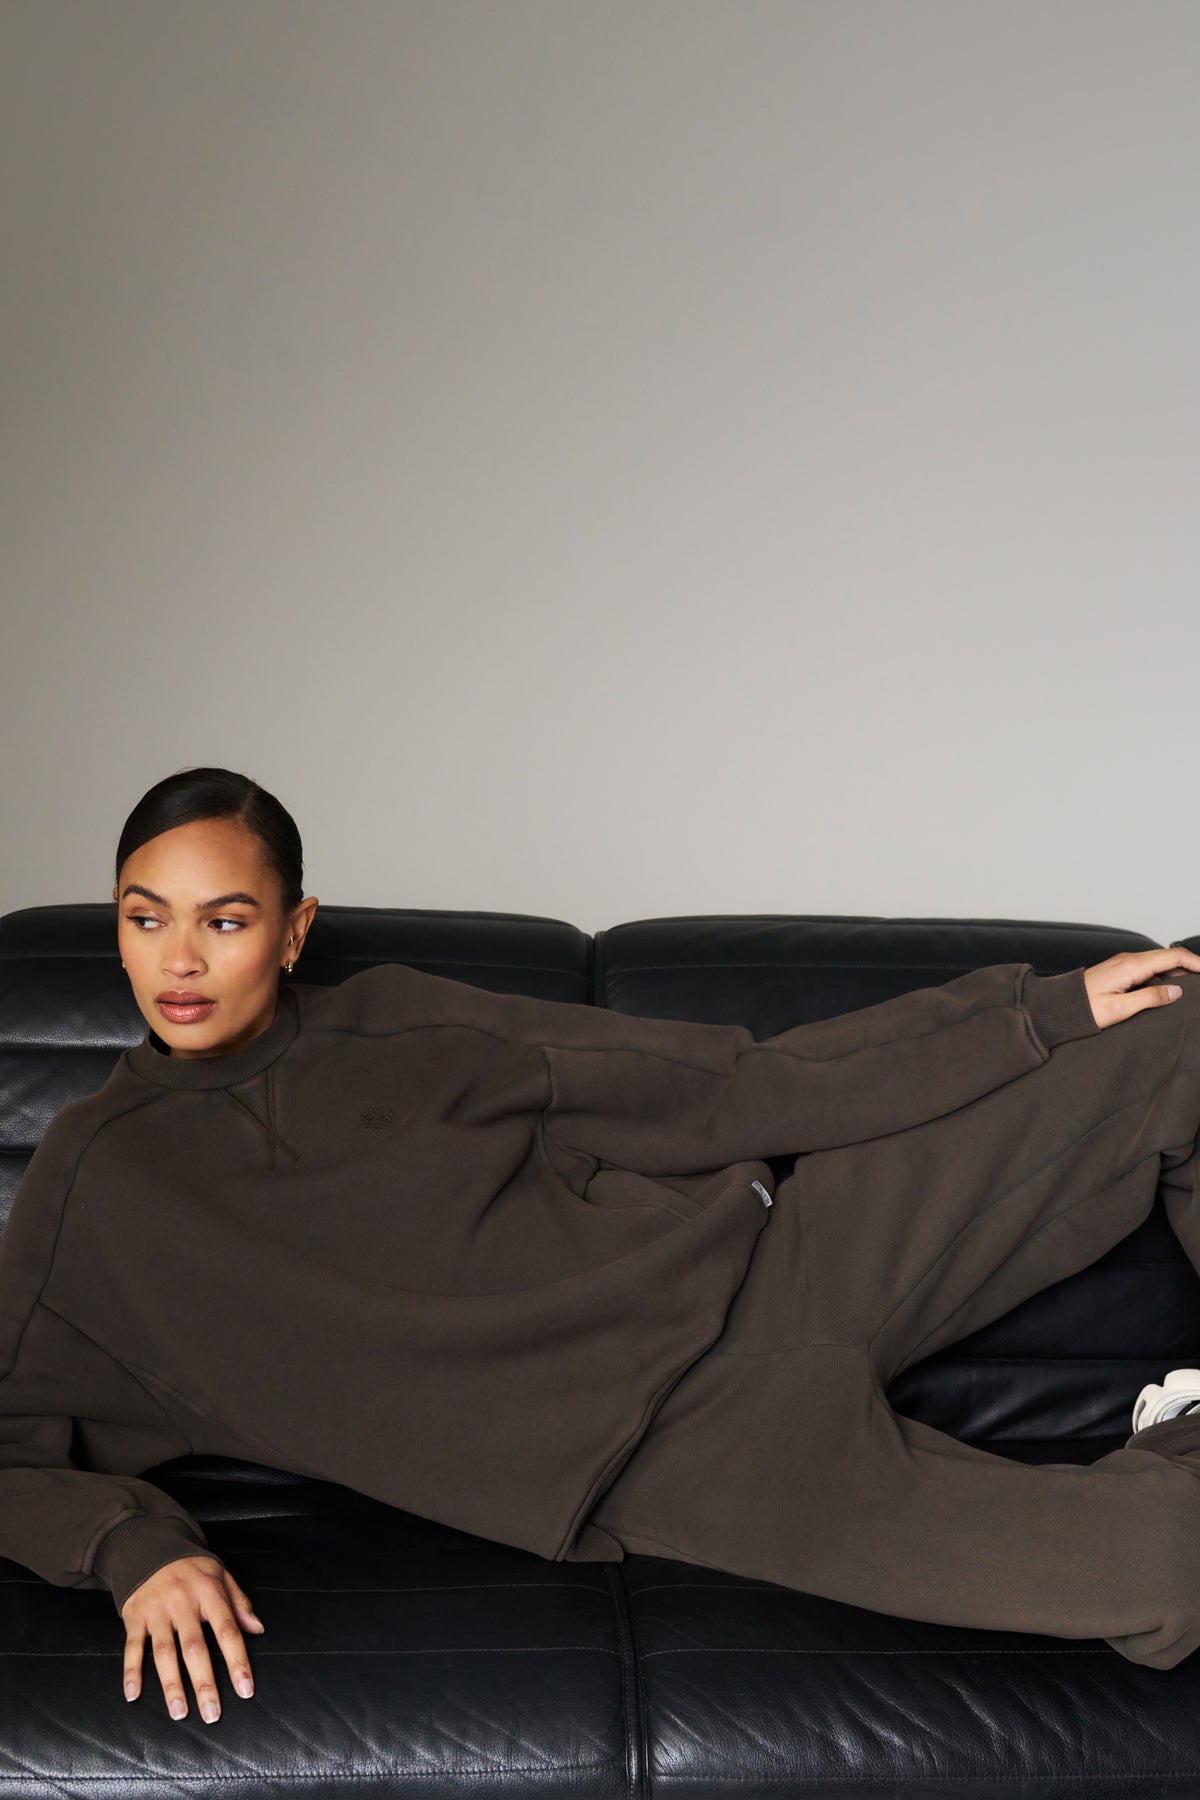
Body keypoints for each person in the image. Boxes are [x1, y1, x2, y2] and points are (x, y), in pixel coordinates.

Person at [4, 769, 1200, 1729]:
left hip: (782, 1262)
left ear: (293, 928)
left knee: (1177, 1030)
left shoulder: (404, 1021)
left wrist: (1041, 1013)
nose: (179, 961)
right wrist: (130, 1549)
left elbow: (732, 1084)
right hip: (696, 1461)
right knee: (1170, 1574)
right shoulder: (93, 1186)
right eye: (145, 918)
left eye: (225, 919)